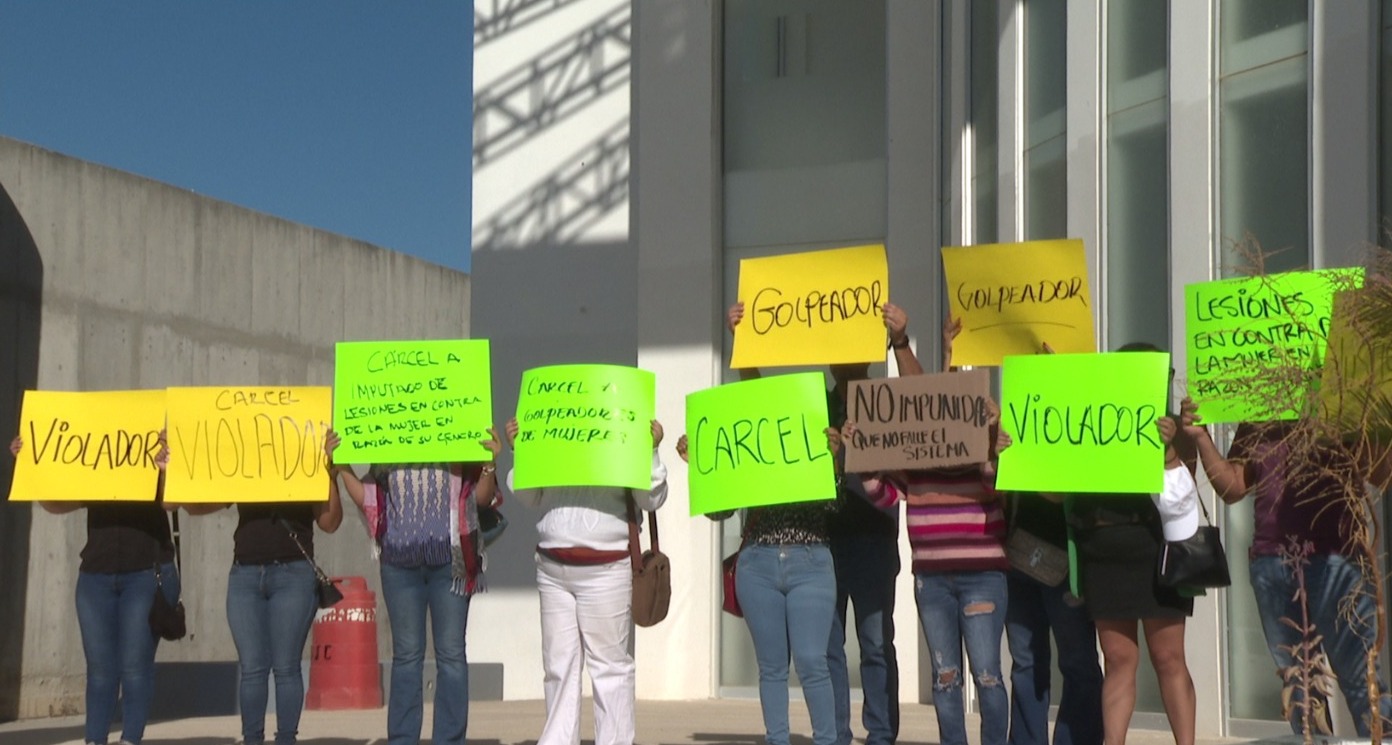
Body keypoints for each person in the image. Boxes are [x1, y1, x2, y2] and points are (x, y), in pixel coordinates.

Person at [1182, 402, 1392, 736]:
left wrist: (1369, 422)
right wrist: (1202, 438)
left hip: (1338, 559)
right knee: (1300, 691)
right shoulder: (1260, 413)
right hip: (1273, 562)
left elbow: (1381, 474)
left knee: (1361, 681)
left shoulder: (1341, 402)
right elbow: (1234, 488)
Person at [846, 386, 1014, 745]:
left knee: (987, 675)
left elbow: (996, 485)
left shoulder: (986, 446)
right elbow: (884, 495)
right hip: (932, 581)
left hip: (982, 576)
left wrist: (989, 444)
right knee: (945, 676)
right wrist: (860, 454)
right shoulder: (916, 454)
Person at [329, 428, 504, 745]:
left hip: (450, 564)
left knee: (451, 656)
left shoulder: (459, 437)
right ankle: (402, 739)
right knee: (407, 657)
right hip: (399, 566)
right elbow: (370, 500)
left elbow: (479, 499)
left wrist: (489, 464)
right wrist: (341, 466)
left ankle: (449, 740)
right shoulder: (390, 438)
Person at [503, 417, 668, 745]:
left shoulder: (624, 433)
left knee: (609, 668)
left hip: (606, 566)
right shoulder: (555, 434)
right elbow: (529, 495)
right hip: (552, 565)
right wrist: (521, 450)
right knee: (558, 666)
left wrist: (650, 450)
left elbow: (651, 499)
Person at [10, 434, 179, 745]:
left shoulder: (150, 459)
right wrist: (29, 464)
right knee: (100, 671)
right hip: (95, 578)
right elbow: (57, 505)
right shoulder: (96, 460)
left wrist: (166, 468)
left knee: (134, 666)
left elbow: (170, 502)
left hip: (142, 573)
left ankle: (130, 739)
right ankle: (94, 740)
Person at [676, 429, 841, 745]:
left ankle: (827, 740)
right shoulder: (750, 442)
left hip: (810, 561)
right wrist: (700, 464)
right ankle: (776, 739)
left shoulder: (812, 435)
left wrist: (833, 458)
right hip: (758, 564)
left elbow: (836, 504)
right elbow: (718, 510)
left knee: (811, 661)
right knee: (771, 666)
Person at [181, 431, 345, 745]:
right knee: (253, 668)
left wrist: (327, 469)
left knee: (286, 666)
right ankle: (252, 738)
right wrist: (175, 471)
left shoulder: (306, 460)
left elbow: (329, 522)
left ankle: (286, 738)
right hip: (244, 574)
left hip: (293, 574)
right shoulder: (246, 461)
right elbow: (195, 506)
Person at [1068, 350, 1198, 745]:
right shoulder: (1087, 422)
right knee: (1119, 661)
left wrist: (1169, 447)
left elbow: (1186, 487)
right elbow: (1055, 492)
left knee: (1168, 657)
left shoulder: (1169, 426)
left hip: (1156, 549)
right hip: (1103, 552)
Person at [992, 332, 1103, 745]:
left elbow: (1063, 493)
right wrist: (1001, 458)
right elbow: (1001, 499)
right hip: (1019, 558)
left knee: (1077, 661)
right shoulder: (1019, 426)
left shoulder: (1080, 426)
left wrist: (1024, 466)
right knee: (1025, 662)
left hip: (1065, 564)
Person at [826, 301, 920, 745]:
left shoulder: (886, 402)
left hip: (873, 538)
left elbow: (929, 403)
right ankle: (837, 735)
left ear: (868, 352)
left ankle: (881, 736)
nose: (843, 360)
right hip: (821, 541)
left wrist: (900, 339)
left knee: (876, 643)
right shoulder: (810, 404)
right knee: (827, 648)